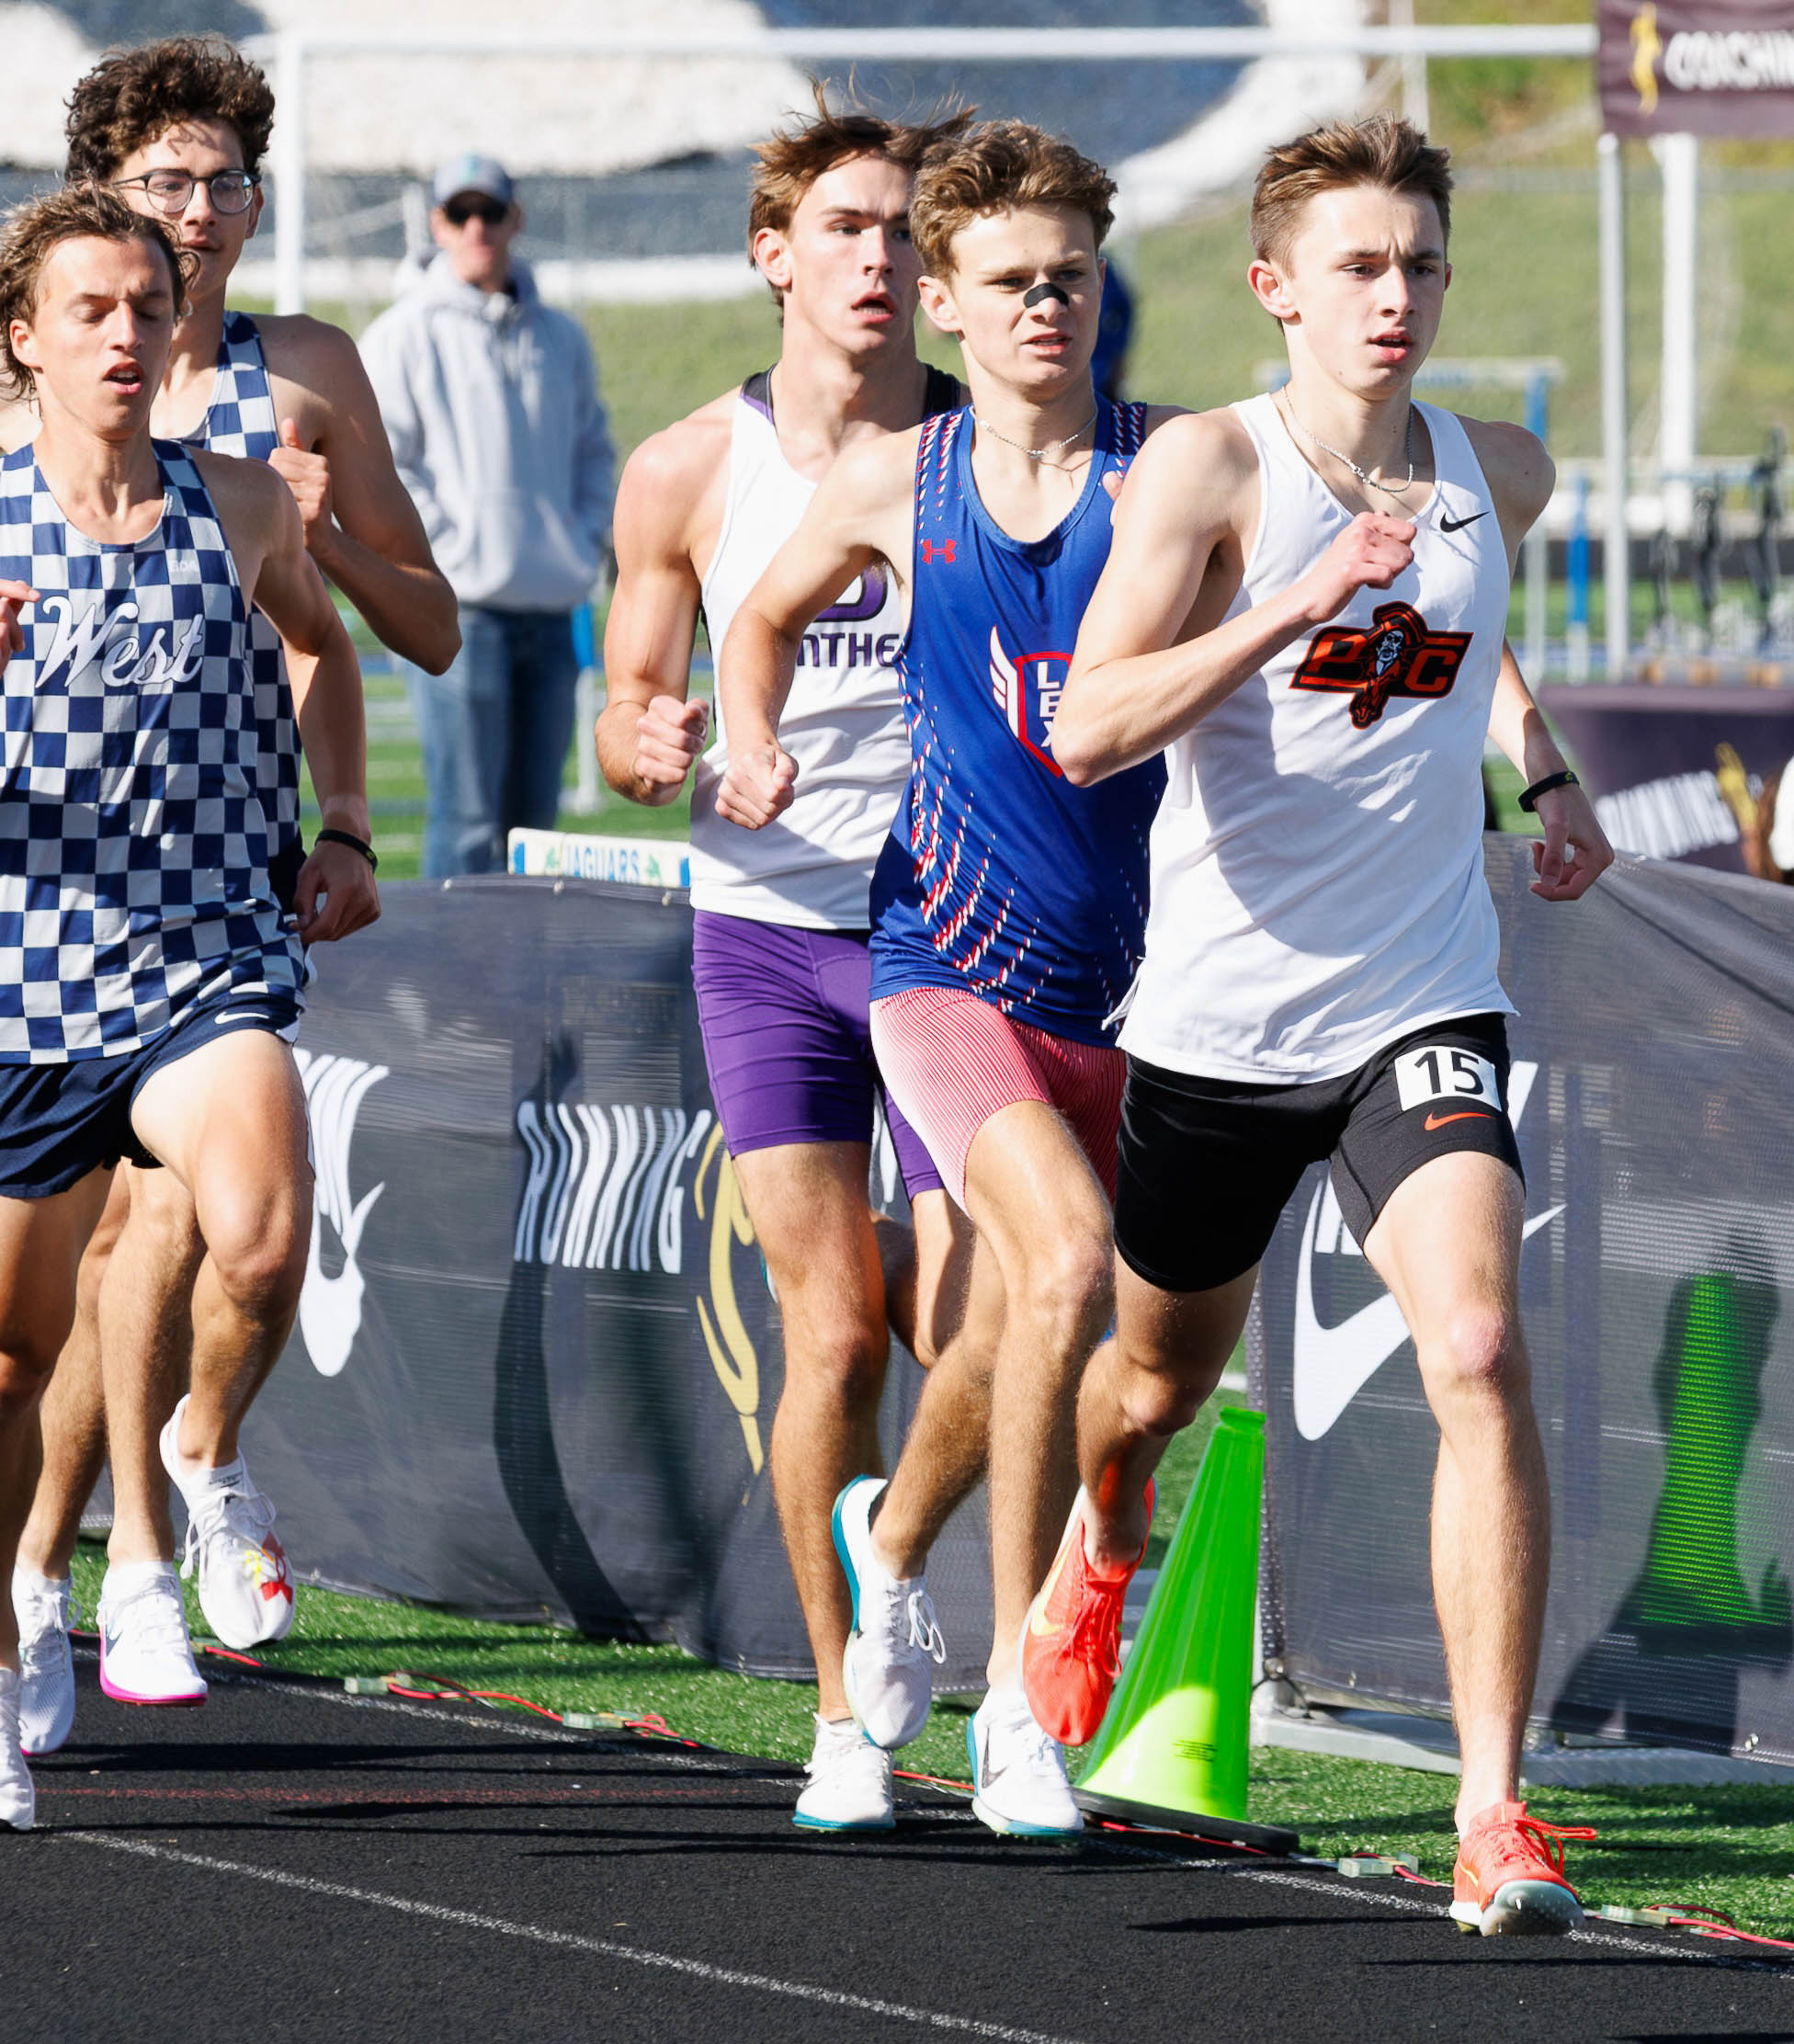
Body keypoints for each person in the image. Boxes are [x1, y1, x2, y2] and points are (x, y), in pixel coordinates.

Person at [1030, 115, 1614, 1933]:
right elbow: (1084, 724)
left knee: (1476, 1346)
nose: (1393, 296)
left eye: (1419, 264)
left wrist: (1540, 761)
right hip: (1219, 1022)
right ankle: (1101, 1536)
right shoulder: (1210, 466)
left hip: (1417, 995)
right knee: (1148, 1389)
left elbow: (1470, 619)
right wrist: (1289, 601)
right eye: (1357, 265)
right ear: (1274, 286)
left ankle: (1489, 1806)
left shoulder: (1494, 467)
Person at [0, 34, 450, 1755]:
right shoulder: (2, 393)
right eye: (162, 183)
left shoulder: (296, 383)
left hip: (220, 903)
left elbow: (410, 626)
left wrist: (345, 809)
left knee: (212, 1222)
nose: (197, 212)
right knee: (40, 1317)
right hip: (47, 932)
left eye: (223, 182)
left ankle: (153, 1530)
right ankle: (34, 1584)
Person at [716, 119, 1178, 1839]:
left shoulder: (1174, 464)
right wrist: (750, 734)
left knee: (1019, 1328)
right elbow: (758, 619)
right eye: (1011, 280)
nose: (1046, 304)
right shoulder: (889, 482)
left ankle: (892, 1537)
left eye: (1071, 275)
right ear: (943, 300)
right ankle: (1014, 1709)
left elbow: (1465, 516)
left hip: (1130, 991)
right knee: (1058, 1259)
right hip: (942, 960)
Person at [596, 88, 993, 1833]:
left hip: (963, 934)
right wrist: (652, 739)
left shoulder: (998, 447)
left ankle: (909, 1569)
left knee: (982, 1322)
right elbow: (623, 713)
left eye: (906, 231)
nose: (879, 259)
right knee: (828, 1339)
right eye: (845, 228)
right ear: (774, 253)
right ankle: (845, 1714)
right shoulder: (692, 467)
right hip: (768, 936)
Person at [359, 154, 617, 876]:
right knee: (468, 822)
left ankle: (524, 957)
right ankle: (455, 959)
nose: (477, 227)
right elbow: (383, 468)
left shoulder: (562, 337)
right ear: (437, 224)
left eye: (491, 212)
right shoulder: (402, 335)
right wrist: (448, 556)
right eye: (461, 213)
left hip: (550, 607)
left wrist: (580, 542)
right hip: (458, 613)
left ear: (515, 219)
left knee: (535, 825)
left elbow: (595, 451)